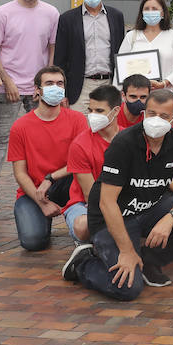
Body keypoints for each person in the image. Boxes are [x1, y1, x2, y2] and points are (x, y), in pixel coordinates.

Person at [62, 88, 173, 299]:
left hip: (150, 208)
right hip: (112, 217)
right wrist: (126, 251)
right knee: (127, 289)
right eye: (151, 114)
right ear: (143, 114)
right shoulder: (124, 143)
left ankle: (151, 262)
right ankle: (83, 264)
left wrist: (170, 219)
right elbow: (107, 203)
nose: (155, 120)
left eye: (163, 116)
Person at [0, 0, 60, 212]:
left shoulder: (51, 13)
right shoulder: (3, 12)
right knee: (1, 137)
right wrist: (7, 80)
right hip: (8, 87)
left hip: (38, 89)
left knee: (39, 139)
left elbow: (51, 48)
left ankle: (40, 185)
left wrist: (47, 82)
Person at [8, 65, 88, 251]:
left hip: (69, 183)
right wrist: (40, 202)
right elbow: (20, 173)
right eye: (49, 83)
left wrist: (51, 178)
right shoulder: (20, 127)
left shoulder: (77, 120)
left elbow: (82, 163)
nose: (55, 87)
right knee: (33, 242)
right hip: (35, 190)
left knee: (86, 228)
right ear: (37, 90)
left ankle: (76, 220)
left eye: (60, 83)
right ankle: (40, 218)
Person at [54, 0, 126, 106]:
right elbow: (60, 58)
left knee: (108, 125)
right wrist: (62, 92)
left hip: (109, 84)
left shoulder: (116, 16)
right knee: (80, 127)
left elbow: (121, 50)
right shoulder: (67, 19)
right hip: (80, 87)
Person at [64, 85, 124, 243]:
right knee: (83, 226)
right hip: (85, 204)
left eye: (99, 111)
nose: (92, 116)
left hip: (124, 201)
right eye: (90, 110)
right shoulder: (80, 144)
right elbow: (90, 195)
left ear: (116, 111)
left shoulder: (130, 140)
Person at [117, 0, 173, 91]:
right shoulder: (131, 36)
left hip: (165, 94)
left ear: (162, 13)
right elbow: (121, 67)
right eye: (146, 9)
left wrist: (163, 84)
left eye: (154, 9)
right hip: (137, 95)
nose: (150, 12)